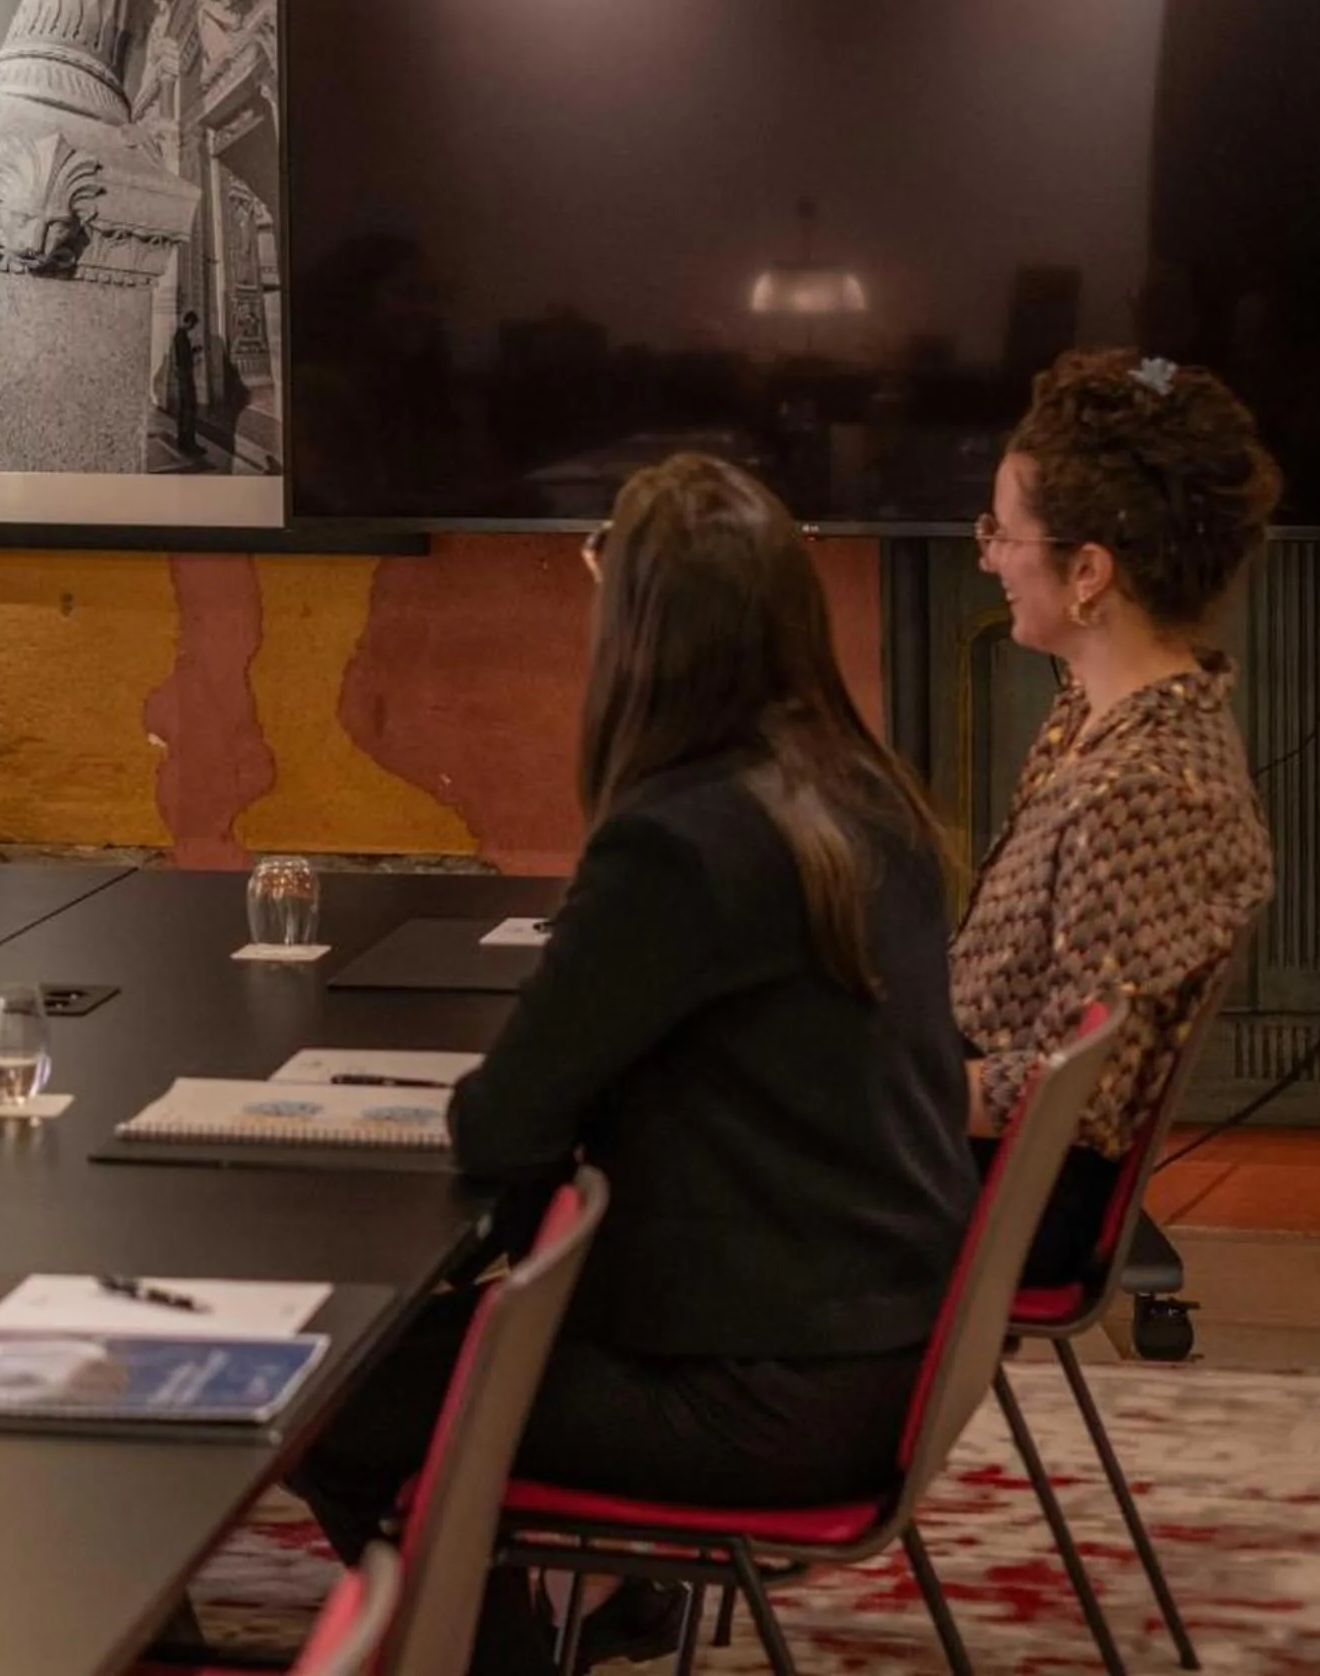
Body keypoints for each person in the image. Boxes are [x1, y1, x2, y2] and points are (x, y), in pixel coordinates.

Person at [286, 454, 974, 1670]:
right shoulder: (864, 798)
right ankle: (624, 1603)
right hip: (871, 1346)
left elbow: (502, 1122)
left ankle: (491, 1652)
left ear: (640, 641)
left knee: (330, 1391)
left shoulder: (679, 843)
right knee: (428, 1346)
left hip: (759, 1390)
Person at [957, 350, 1279, 1286]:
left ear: (1089, 570)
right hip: (968, 1140)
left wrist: (871, 1090)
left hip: (1012, 1196)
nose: (988, 556)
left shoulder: (1142, 786)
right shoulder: (1100, 713)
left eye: (1003, 532)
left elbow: (1077, 1092)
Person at [165, 308, 203, 465]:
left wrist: (192, 351)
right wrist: (194, 354)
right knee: (189, 409)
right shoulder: (181, 336)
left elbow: (182, 356)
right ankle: (189, 444)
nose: (193, 328)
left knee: (185, 409)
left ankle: (184, 441)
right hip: (185, 377)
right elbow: (184, 359)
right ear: (189, 321)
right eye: (193, 324)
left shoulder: (180, 336)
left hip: (183, 376)